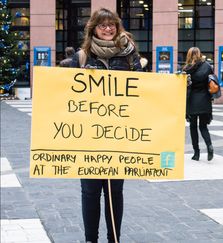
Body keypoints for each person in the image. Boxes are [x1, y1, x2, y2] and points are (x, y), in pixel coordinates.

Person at [69, 8, 142, 243]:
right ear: (94, 29)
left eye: (112, 24)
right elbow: (66, 95)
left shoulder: (129, 56)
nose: (108, 28)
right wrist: (82, 76)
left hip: (119, 135)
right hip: (88, 136)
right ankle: (91, 239)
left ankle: (114, 239)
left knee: (114, 192)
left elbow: (144, 89)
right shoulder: (81, 57)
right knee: (90, 192)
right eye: (103, 25)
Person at [183, 47, 214, 161]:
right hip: (205, 100)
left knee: (193, 127)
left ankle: (196, 153)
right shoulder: (207, 66)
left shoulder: (187, 69)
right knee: (203, 126)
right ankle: (209, 146)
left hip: (192, 100)